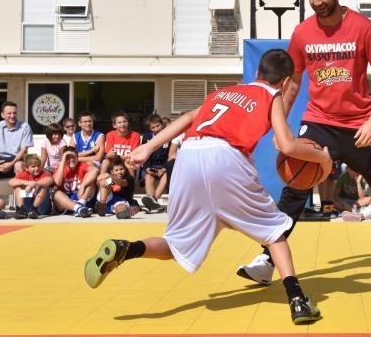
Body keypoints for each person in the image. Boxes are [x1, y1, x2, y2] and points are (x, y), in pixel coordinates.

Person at [84, 48, 331, 325]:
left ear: (257, 73)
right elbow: (286, 145)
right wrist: (322, 159)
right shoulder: (271, 94)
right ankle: (298, 301)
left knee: (176, 245)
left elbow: (189, 117)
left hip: (189, 155)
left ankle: (126, 248)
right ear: (285, 83)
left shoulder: (223, 93)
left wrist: (148, 147)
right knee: (275, 233)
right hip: (225, 157)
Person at [238, 0, 371, 283]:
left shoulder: (362, 28)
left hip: (359, 123)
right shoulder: (303, 33)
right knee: (294, 186)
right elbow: (293, 82)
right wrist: (276, 121)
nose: (317, 2)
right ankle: (267, 259)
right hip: (319, 122)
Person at [0, 101, 33, 179]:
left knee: (19, 165)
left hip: (16, 159)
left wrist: (11, 163)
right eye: (9, 113)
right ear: (2, 115)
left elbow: (24, 150)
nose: (12, 116)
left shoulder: (25, 127)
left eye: (14, 113)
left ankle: (20, 190)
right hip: (0, 158)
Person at [52, 146, 95, 218]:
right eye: (68, 157)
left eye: (73, 157)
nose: (71, 160)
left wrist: (83, 185)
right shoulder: (59, 169)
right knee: (55, 193)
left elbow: (95, 170)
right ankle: (78, 208)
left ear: (77, 158)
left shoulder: (81, 165)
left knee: (91, 182)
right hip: (66, 202)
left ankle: (81, 205)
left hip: (81, 198)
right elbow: (57, 183)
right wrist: (62, 161)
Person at [139, 114, 170, 211]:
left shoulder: (169, 135)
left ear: (162, 124)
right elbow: (145, 154)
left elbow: (170, 155)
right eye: (153, 127)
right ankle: (154, 204)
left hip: (164, 166)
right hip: (151, 165)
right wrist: (147, 168)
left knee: (165, 178)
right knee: (148, 177)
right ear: (149, 128)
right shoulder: (147, 136)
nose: (156, 129)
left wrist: (164, 168)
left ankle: (152, 203)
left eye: (158, 126)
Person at [9, 153, 53, 219]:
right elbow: (11, 182)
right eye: (33, 166)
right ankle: (21, 209)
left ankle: (34, 208)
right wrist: (28, 183)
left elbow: (50, 180)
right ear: (26, 168)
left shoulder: (44, 173)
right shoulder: (24, 174)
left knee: (43, 186)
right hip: (28, 204)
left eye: (38, 166)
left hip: (42, 207)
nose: (37, 168)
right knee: (18, 186)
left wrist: (35, 184)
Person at [93, 155, 136, 219]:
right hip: (108, 199)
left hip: (121, 201)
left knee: (121, 210)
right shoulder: (109, 178)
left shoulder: (129, 178)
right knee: (104, 182)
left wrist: (109, 176)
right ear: (112, 171)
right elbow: (99, 181)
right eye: (116, 170)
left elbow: (122, 182)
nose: (119, 172)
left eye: (121, 169)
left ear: (125, 169)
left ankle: (123, 213)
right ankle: (102, 205)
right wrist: (102, 180)